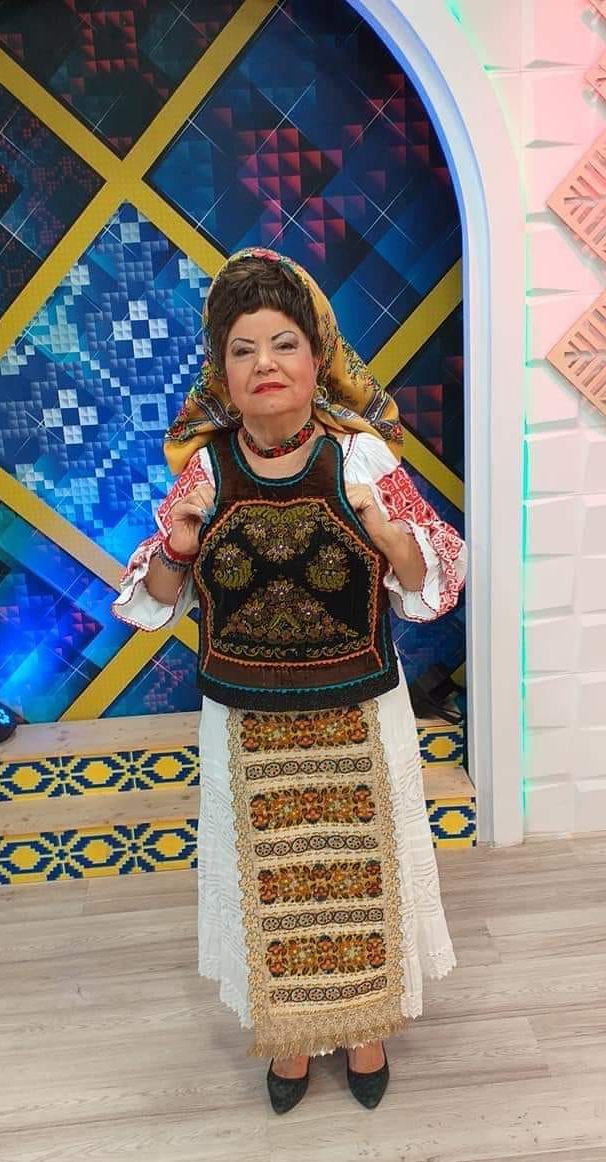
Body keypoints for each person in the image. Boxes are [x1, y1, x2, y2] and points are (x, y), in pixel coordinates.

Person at [112, 248, 467, 1114]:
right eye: (242, 349)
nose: (264, 364)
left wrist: (391, 538)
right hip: (247, 719)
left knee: (361, 873)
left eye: (282, 344)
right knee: (269, 881)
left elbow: (429, 585)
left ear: (318, 359)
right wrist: (179, 547)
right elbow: (153, 601)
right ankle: (290, 1040)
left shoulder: (363, 458)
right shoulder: (206, 470)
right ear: (222, 372)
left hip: (359, 709)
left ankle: (367, 1029)